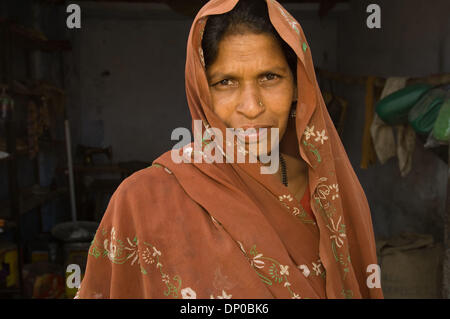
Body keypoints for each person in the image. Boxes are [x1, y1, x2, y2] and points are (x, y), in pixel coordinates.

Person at [75, 0, 383, 299]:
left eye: (270, 77)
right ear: (201, 92)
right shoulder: (142, 201)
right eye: (226, 82)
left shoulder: (331, 199)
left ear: (297, 86)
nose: (251, 107)